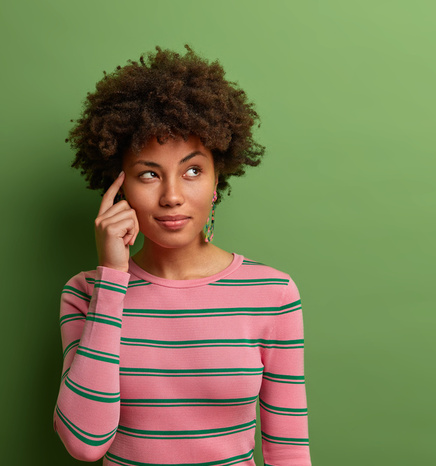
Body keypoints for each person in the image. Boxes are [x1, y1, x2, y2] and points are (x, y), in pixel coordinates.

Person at [54, 45, 312, 466]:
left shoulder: (272, 293)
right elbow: (85, 443)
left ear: (216, 181)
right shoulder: (86, 293)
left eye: (192, 170)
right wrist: (113, 278)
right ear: (119, 190)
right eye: (149, 174)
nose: (172, 196)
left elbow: (289, 451)